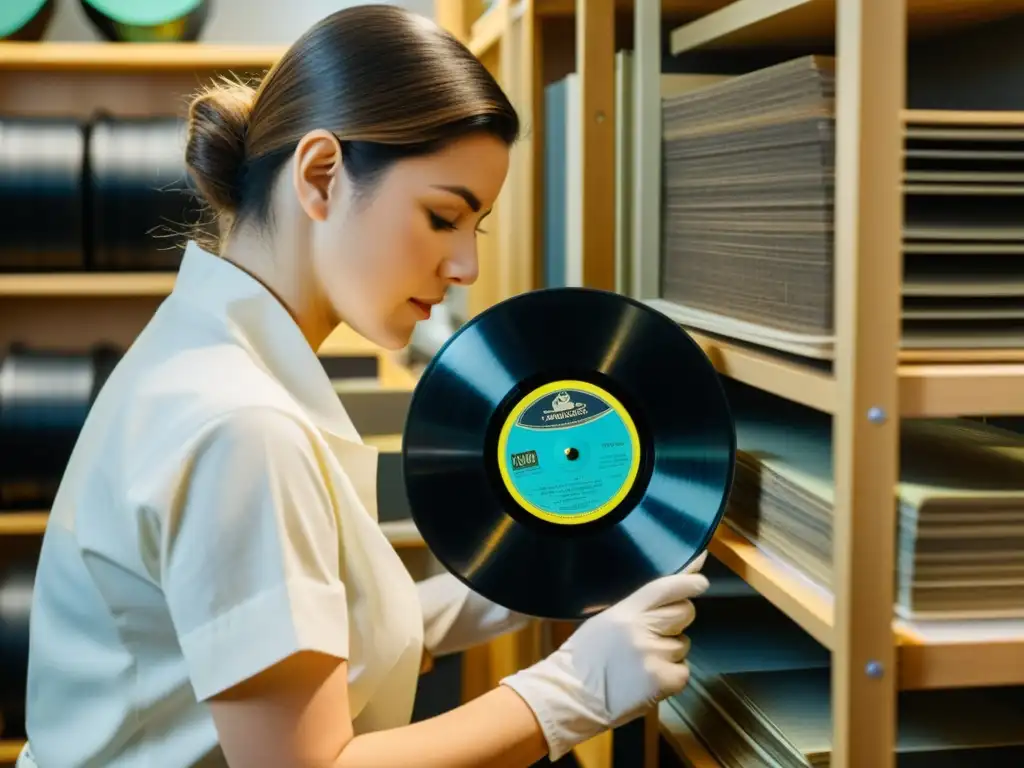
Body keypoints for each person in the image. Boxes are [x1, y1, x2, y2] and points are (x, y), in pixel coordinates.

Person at [19, 5, 709, 767]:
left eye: (472, 228)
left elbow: (267, 639)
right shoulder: (241, 424)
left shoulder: (207, 355)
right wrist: (569, 693)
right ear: (320, 176)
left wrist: (484, 597)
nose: (465, 269)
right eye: (444, 216)